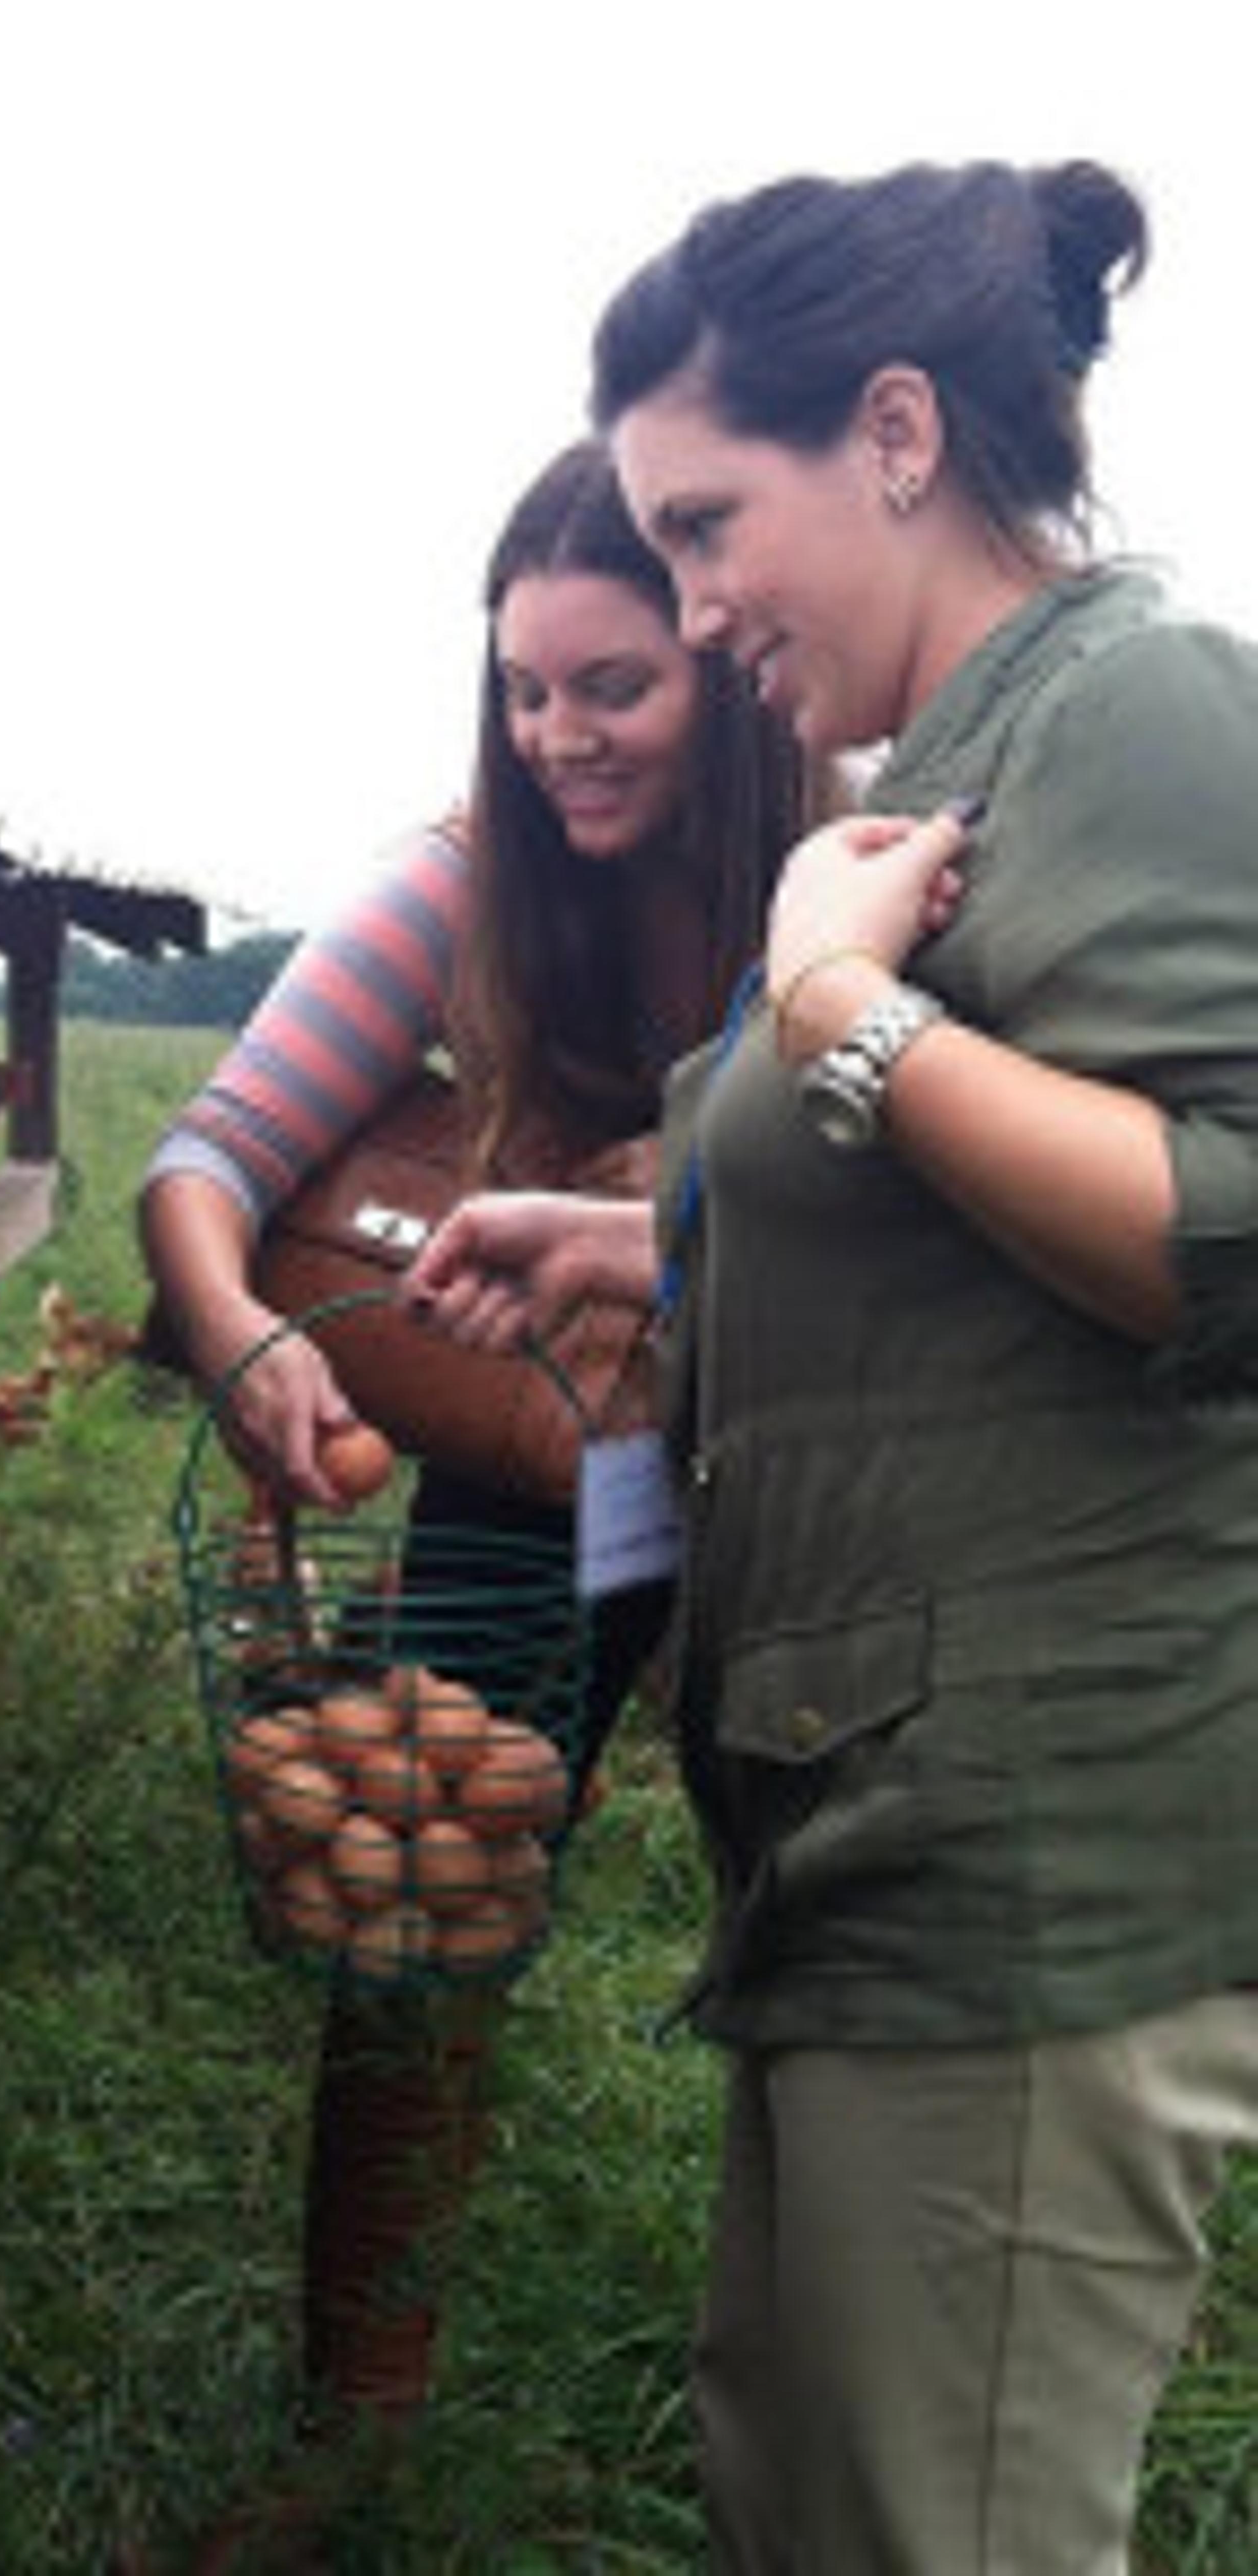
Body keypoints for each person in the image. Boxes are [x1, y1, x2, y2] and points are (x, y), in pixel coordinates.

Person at [407, 158, 1258, 2573]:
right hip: (868, 1839)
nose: (688, 608)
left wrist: (835, 1011)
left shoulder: (1141, 709)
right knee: (815, 2494)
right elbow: (972, 1230)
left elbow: (1229, 1227)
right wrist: (638, 1238)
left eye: (704, 530)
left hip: (1031, 1854)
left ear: (898, 432)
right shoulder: (943, 772)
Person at [138, 440, 802, 2546]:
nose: (557, 737)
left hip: (821, 1470)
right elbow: (209, 1158)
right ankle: (357, 2435)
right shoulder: (469, 880)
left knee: (841, 1943)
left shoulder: (852, 869)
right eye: (524, 689)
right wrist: (247, 1338)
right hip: (549, 1474)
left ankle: (817, 2432)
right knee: (409, 1923)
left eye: (610, 686)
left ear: (720, 653)